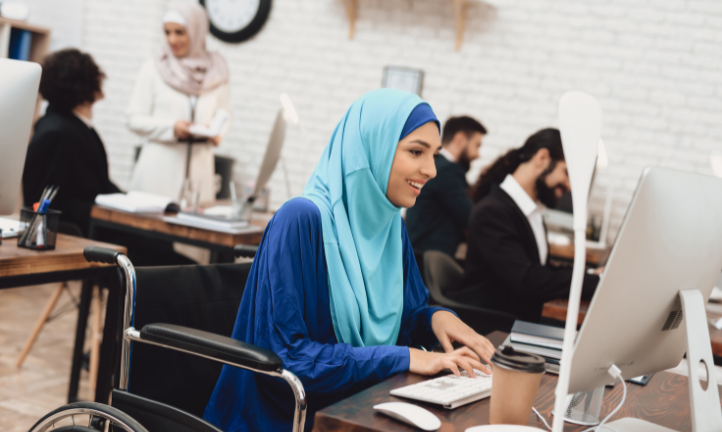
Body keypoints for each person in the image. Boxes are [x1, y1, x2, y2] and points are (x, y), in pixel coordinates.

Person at [203, 89, 495, 432]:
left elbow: (406, 317)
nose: (430, 170)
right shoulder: (300, 219)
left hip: (363, 405)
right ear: (372, 147)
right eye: (416, 151)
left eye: (435, 154)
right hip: (286, 418)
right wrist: (405, 357)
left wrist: (436, 318)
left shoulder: (391, 228)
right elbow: (287, 358)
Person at [454, 128, 599, 322]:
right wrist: (595, 282)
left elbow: (540, 270)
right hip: (494, 327)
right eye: (566, 172)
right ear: (542, 158)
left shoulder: (531, 211)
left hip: (520, 318)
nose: (569, 186)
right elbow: (527, 280)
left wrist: (590, 274)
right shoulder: (492, 212)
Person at [126, 3, 231, 202]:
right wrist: (172, 127)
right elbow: (133, 119)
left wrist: (218, 133)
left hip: (199, 177)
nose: (172, 39)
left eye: (180, 32)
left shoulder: (217, 72)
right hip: (156, 179)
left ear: (197, 30)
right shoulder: (154, 68)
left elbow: (225, 113)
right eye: (167, 32)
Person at [22, 49, 121, 236]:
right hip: (79, 234)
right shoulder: (56, 132)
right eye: (95, 75)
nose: (100, 79)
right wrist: (97, 209)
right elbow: (41, 199)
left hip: (95, 227)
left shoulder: (77, 127)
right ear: (84, 84)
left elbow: (99, 184)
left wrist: (130, 201)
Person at [405, 116, 486, 259]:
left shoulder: (438, 167)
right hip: (425, 262)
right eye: (477, 145)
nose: (478, 155)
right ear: (460, 139)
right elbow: (472, 217)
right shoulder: (446, 171)